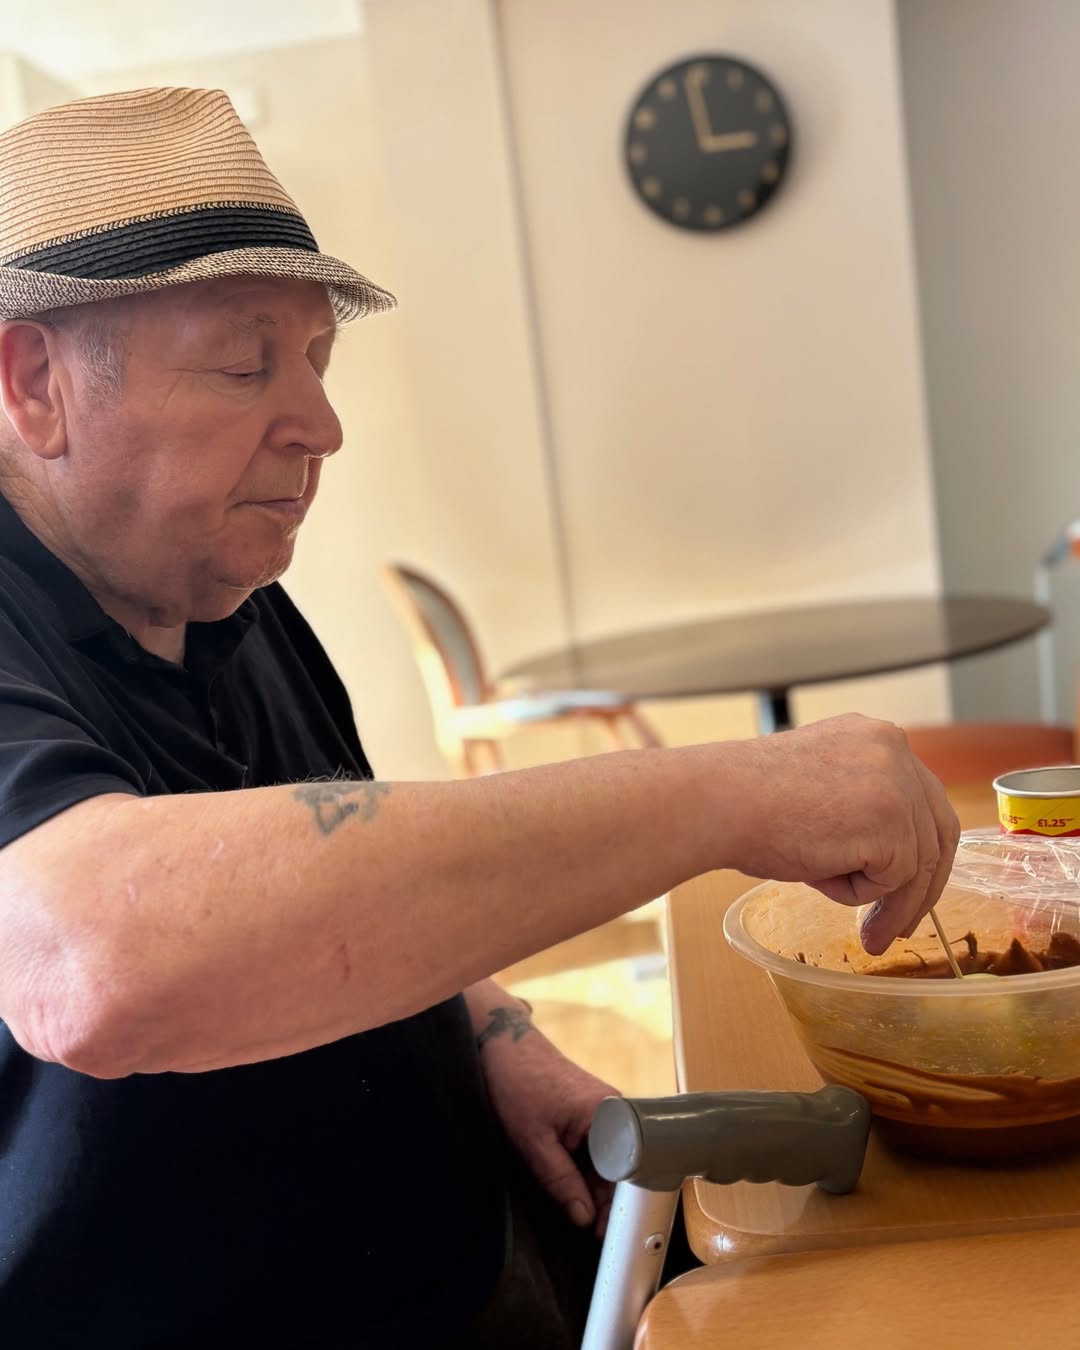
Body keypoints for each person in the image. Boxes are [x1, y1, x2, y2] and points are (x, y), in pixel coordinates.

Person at [0, 89, 959, 1349]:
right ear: (33, 384)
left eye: (316, 364)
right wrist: (738, 792)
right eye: (247, 363)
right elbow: (91, 960)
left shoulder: (230, 604)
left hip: (478, 1267)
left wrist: (499, 1035)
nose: (323, 427)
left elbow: (341, 879)